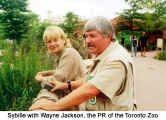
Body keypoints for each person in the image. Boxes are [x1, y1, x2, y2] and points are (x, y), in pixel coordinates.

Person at [29, 16, 136, 111]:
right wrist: (67, 85)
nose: (87, 41)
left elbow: (91, 89)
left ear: (108, 36)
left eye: (92, 36)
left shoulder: (115, 59)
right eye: (85, 36)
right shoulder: (103, 54)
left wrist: (55, 106)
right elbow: (90, 80)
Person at [30, 26, 86, 110]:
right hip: (74, 95)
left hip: (81, 100)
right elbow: (61, 70)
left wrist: (40, 79)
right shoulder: (63, 54)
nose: (52, 44)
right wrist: (47, 72)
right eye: (49, 42)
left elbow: (56, 81)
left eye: (55, 40)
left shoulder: (69, 53)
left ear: (63, 40)